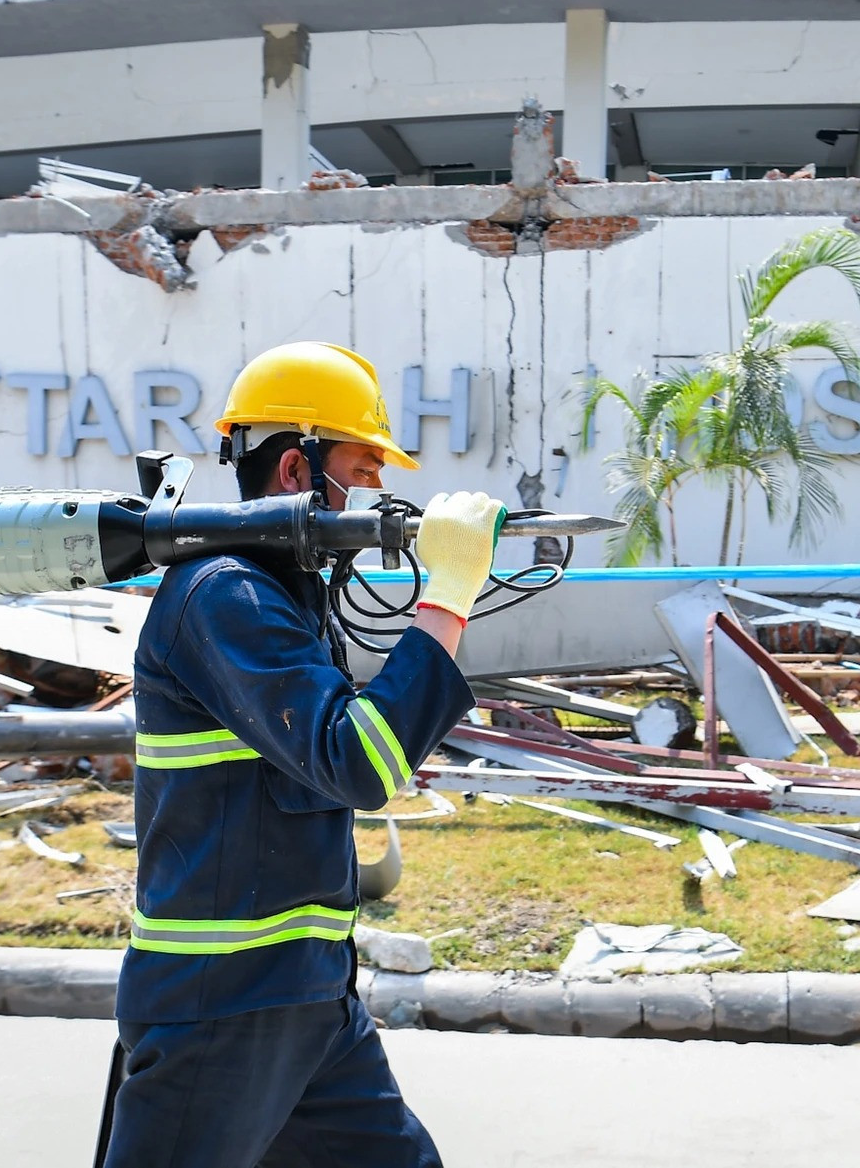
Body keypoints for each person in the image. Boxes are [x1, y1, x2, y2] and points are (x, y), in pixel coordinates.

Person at [100, 341, 502, 1168]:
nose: (376, 493)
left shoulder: (278, 597)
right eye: (361, 468)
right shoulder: (224, 596)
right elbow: (361, 762)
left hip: (305, 999)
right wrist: (446, 601)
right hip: (225, 1006)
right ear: (296, 468)